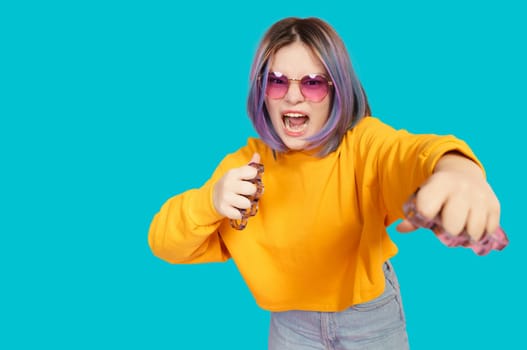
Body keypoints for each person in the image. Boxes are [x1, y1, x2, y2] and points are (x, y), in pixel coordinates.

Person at [148, 17, 501, 349]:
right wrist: (210, 201)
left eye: (313, 83)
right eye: (277, 80)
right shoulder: (242, 168)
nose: (293, 96)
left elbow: (410, 155)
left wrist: (458, 171)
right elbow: (164, 243)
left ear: (336, 89)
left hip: (368, 316)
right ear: (262, 89)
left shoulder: (363, 145)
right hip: (290, 325)